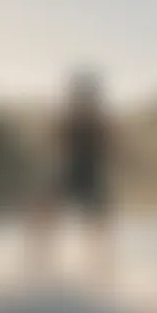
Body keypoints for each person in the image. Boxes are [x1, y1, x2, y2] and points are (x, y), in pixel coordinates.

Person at [30, 69, 118, 276]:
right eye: (81, 93)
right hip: (71, 173)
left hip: (89, 175)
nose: (83, 98)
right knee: (44, 213)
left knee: (97, 227)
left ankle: (102, 272)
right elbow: (54, 139)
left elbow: (112, 144)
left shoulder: (97, 122)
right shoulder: (72, 119)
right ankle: (38, 266)